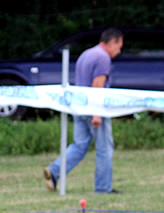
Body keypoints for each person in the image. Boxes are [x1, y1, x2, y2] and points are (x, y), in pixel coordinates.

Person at [43, 28, 123, 194]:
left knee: (79, 146)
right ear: (112, 42)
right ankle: (103, 187)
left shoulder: (87, 54)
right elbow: (97, 85)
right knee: (104, 149)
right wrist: (97, 113)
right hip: (93, 108)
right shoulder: (103, 58)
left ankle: (55, 171)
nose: (119, 51)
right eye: (119, 46)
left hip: (79, 107)